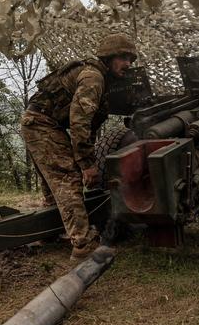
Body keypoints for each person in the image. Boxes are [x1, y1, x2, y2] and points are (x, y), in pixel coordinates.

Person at [20, 34, 137, 259]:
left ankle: (50, 231)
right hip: (42, 123)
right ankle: (83, 244)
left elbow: (90, 126)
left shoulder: (101, 78)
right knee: (67, 178)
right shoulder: (93, 77)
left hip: (42, 122)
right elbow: (79, 121)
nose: (128, 64)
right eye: (123, 58)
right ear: (109, 57)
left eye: (131, 59)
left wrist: (88, 158)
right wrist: (86, 164)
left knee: (53, 183)